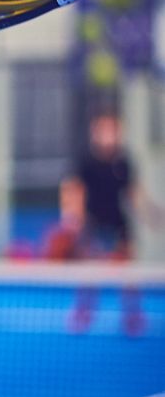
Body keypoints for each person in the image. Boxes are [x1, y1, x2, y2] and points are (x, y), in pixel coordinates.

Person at [46, 113, 142, 334]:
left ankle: (133, 316)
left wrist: (153, 215)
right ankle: (83, 312)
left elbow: (133, 194)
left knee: (128, 274)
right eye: (103, 130)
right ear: (95, 133)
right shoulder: (86, 162)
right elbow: (74, 190)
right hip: (93, 224)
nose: (108, 135)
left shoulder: (124, 162)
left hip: (118, 224)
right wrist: (73, 218)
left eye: (112, 130)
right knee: (89, 273)